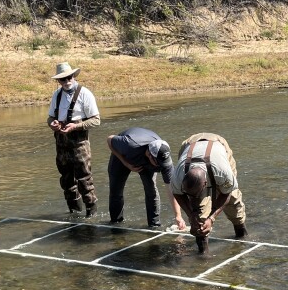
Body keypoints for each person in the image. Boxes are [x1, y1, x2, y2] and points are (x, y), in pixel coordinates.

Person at [170, 133, 248, 253]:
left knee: (234, 202)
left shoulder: (222, 171)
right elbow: (177, 194)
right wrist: (191, 215)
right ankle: (203, 254)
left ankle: (242, 236)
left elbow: (226, 194)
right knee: (199, 213)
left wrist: (211, 218)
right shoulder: (178, 176)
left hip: (218, 144)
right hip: (190, 144)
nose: (193, 197)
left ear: (205, 183)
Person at [46, 62, 100, 217]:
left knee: (84, 178)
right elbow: (49, 118)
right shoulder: (56, 95)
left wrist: (75, 126)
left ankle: (91, 213)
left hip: (79, 142)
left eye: (69, 77)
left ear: (74, 76)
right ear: (58, 81)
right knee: (66, 179)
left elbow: (96, 120)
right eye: (63, 79)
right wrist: (53, 124)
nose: (67, 81)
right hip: (61, 142)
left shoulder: (85, 94)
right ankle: (74, 211)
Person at [106, 128, 187, 230]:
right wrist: (125, 162)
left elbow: (171, 188)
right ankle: (116, 224)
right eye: (158, 163)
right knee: (116, 189)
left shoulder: (164, 158)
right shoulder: (129, 145)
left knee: (151, 191)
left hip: (145, 163)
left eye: (162, 163)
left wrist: (178, 216)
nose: (161, 166)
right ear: (149, 154)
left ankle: (154, 225)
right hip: (123, 156)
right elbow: (109, 139)